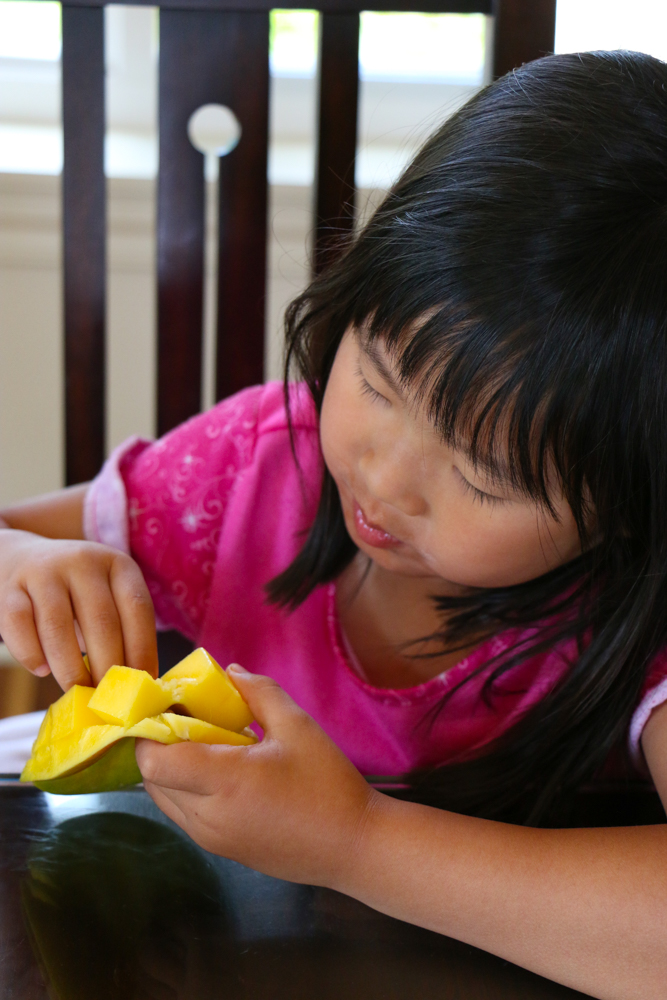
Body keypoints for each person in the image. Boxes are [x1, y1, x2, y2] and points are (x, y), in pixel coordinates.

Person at [1, 49, 666, 997]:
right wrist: (20, 563)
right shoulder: (249, 468)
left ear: (633, 510)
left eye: (483, 478)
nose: (386, 479)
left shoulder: (638, 621)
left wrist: (357, 843)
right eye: (380, 380)